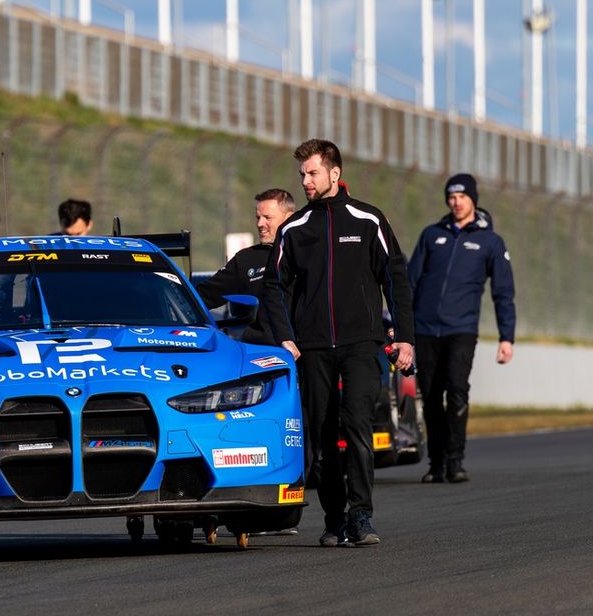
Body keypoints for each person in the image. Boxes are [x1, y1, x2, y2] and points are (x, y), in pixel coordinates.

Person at [260, 138, 414, 548]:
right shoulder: (294, 228)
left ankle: (361, 515)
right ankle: (333, 519)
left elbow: (395, 279)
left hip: (362, 344)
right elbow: (273, 287)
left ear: (334, 173)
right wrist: (286, 338)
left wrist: (406, 338)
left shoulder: (368, 220)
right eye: (302, 175)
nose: (306, 181)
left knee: (358, 426)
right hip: (312, 349)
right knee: (323, 437)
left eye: (312, 173)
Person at [408, 173, 515, 484]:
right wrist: (401, 327)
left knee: (456, 389)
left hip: (461, 329)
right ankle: (437, 463)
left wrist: (506, 337)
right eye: (451, 197)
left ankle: (455, 461)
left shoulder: (490, 241)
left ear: (473, 199)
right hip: (425, 329)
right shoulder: (431, 235)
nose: (456, 202)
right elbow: (411, 282)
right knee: (429, 395)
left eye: (462, 197)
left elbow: (503, 293)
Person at [197, 188, 296, 346]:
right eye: (258, 217)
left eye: (267, 218)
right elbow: (204, 295)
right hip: (262, 351)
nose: (260, 224)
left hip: (308, 352)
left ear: (289, 218)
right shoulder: (246, 259)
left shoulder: (307, 254)